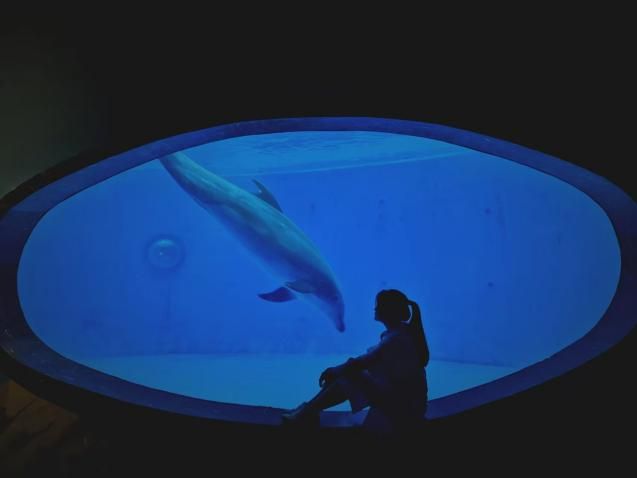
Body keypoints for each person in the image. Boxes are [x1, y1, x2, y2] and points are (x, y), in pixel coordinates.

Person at [281, 289, 429, 435]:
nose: (375, 308)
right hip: (408, 401)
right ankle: (309, 409)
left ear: (389, 310)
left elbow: (363, 362)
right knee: (349, 372)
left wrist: (336, 370)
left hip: (406, 407)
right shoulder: (403, 332)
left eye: (379, 304)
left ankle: (308, 410)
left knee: (350, 374)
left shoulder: (395, 338)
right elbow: (367, 362)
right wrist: (341, 369)